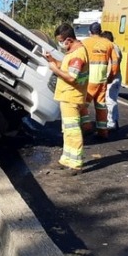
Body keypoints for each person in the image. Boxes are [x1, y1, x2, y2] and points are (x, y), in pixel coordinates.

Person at [45, 23, 89, 174]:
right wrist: (52, 61)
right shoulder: (72, 53)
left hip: (72, 96)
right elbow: (66, 68)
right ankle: (66, 159)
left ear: (69, 39)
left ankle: (76, 163)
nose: (61, 45)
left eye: (61, 41)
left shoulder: (78, 54)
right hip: (68, 97)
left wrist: (54, 69)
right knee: (67, 130)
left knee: (73, 130)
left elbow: (71, 77)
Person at [82, 22, 118, 139]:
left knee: (81, 105)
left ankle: (87, 126)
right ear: (100, 31)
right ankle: (103, 132)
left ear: (90, 32)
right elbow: (115, 62)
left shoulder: (84, 43)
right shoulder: (108, 44)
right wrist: (111, 77)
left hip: (88, 81)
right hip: (102, 81)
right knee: (101, 106)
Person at [102, 30, 122, 130]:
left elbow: (115, 63)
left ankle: (112, 122)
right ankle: (114, 120)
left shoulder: (113, 48)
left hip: (113, 77)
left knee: (110, 100)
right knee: (109, 99)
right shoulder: (112, 47)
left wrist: (110, 77)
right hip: (112, 76)